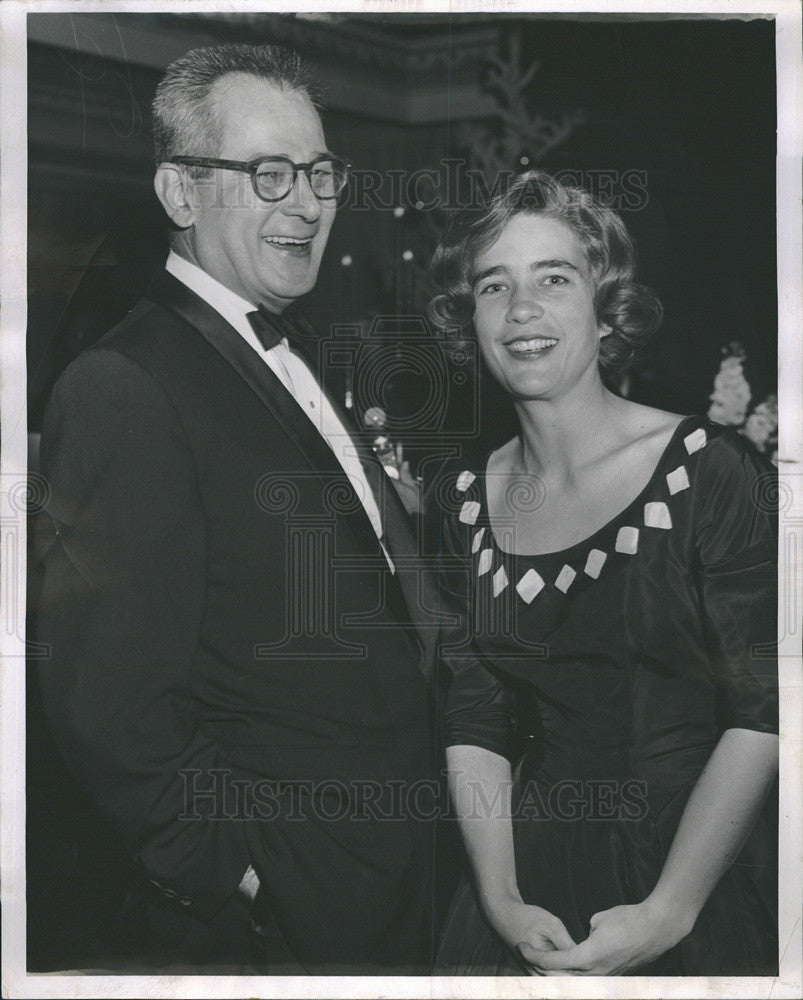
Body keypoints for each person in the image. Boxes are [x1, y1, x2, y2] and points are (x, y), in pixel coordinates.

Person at [31, 43, 440, 974]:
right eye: (267, 174)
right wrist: (241, 877)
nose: (305, 202)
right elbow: (108, 704)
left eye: (320, 172)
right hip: (282, 910)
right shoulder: (123, 385)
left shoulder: (297, 356)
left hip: (390, 871)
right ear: (180, 195)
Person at [429, 171, 778, 976]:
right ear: (469, 317)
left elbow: (760, 710)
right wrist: (500, 899)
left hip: (693, 870)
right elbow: (473, 725)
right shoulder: (458, 499)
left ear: (603, 304)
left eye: (554, 278)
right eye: (494, 286)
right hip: (527, 884)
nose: (522, 310)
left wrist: (669, 911)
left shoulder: (709, 470)